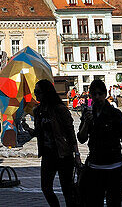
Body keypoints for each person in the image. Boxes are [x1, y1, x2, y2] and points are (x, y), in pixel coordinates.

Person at [77, 79, 122, 207]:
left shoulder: (114, 113)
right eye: (94, 94)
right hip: (95, 168)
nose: (97, 97)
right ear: (90, 96)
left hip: (115, 167)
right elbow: (81, 138)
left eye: (100, 94)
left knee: (114, 203)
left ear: (105, 94)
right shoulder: (88, 112)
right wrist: (87, 123)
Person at [28, 79, 81, 207]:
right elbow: (39, 132)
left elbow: (70, 131)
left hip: (63, 154)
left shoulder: (59, 109)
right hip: (47, 154)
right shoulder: (38, 111)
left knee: (67, 189)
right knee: (45, 187)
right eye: (35, 92)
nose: (36, 95)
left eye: (38, 92)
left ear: (46, 93)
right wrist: (27, 129)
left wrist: (77, 154)